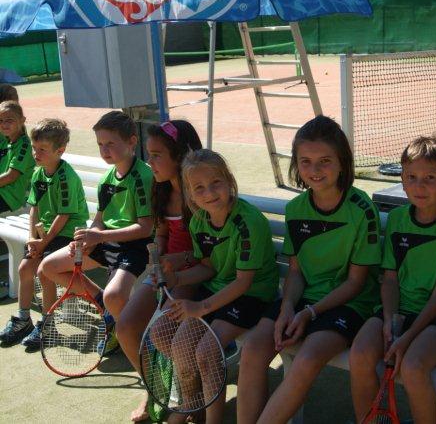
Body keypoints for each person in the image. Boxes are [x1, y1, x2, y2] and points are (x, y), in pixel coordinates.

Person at [237, 115, 382, 424]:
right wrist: (288, 307)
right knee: (253, 349)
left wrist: (309, 313)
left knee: (306, 359)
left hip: (349, 304)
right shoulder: (296, 209)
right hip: (304, 301)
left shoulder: (362, 210)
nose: (314, 170)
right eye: (306, 161)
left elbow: (356, 283)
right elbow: (296, 272)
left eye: (324, 161)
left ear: (342, 162)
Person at [155, 149, 279, 424]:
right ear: (189, 193)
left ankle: (209, 417)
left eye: (216, 183)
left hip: (252, 296)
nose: (209, 193)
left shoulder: (248, 222)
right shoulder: (199, 221)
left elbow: (243, 282)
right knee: (170, 340)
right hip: (217, 290)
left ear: (229, 181)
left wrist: (200, 307)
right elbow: (208, 267)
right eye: (199, 188)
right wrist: (176, 279)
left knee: (206, 352)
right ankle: (194, 406)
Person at [350, 135, 436, 424]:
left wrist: (406, 338)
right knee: (360, 354)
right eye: (411, 177)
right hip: (396, 312)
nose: (419, 186)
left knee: (413, 367)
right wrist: (389, 320)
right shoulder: (397, 219)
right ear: (401, 179)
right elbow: (389, 279)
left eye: (430, 178)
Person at [39, 110, 154, 356]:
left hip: (135, 246)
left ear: (132, 141)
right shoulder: (106, 179)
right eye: (100, 144)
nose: (104, 150)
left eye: (110, 143)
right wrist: (85, 240)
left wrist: (99, 237)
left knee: (116, 296)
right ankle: (104, 307)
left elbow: (146, 228)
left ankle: (135, 337)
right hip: (106, 242)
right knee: (48, 267)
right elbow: (100, 220)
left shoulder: (143, 176)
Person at [114, 120, 202, 422]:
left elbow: (212, 251)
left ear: (180, 155)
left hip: (196, 275)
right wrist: (159, 254)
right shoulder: (162, 188)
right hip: (166, 272)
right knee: (125, 327)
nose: (148, 162)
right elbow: (162, 232)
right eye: (148, 155)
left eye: (156, 155)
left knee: (161, 330)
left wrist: (179, 260)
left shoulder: (201, 192)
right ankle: (155, 390)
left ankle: (188, 399)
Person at [0, 118, 89, 349]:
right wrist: (33, 238)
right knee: (24, 268)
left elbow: (64, 216)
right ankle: (23, 320)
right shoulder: (38, 174)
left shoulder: (66, 177)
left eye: (42, 150)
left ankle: (48, 325)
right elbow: (34, 209)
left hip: (68, 233)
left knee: (43, 272)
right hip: (46, 235)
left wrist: (44, 241)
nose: (35, 154)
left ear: (60, 151)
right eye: (34, 148)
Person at [0, 100, 35, 214]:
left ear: (22, 120)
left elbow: (11, 176)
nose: (4, 124)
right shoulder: (5, 139)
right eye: (0, 120)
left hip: (10, 197)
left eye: (9, 120)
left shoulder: (24, 145)